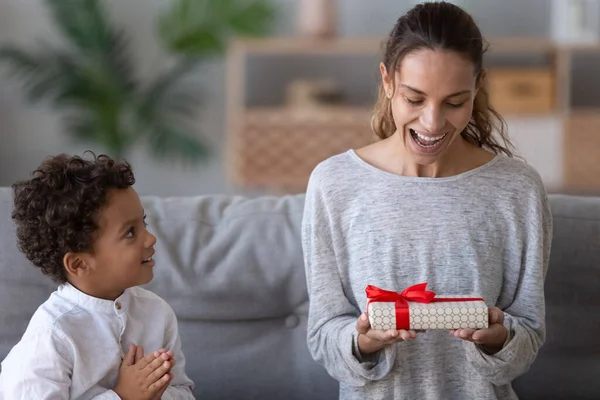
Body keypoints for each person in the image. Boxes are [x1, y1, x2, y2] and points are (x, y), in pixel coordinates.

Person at [301, 2, 553, 399]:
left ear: (478, 87)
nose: (433, 123)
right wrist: (364, 341)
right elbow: (323, 336)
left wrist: (498, 339)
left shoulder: (516, 189)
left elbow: (528, 339)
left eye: (455, 102)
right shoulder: (334, 184)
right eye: (414, 99)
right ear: (387, 82)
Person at [0, 153, 195, 399]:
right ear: (79, 263)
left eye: (143, 223)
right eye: (130, 232)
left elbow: (184, 391)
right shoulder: (53, 334)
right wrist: (124, 396)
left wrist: (156, 394)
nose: (151, 238)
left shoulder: (157, 313)